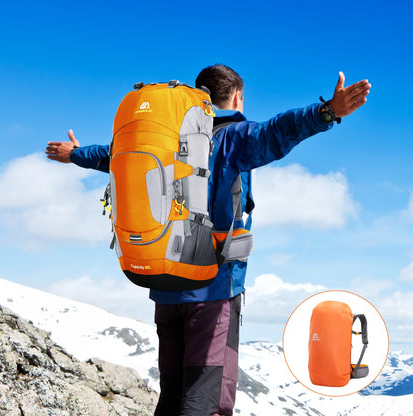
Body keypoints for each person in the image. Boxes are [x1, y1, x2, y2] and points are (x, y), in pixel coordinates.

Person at [46, 64, 371, 415]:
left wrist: (73, 154)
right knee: (206, 399)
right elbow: (279, 131)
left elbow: (111, 155)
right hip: (214, 288)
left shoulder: (166, 138)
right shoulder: (233, 137)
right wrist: (327, 112)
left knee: (172, 394)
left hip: (163, 279)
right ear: (236, 96)